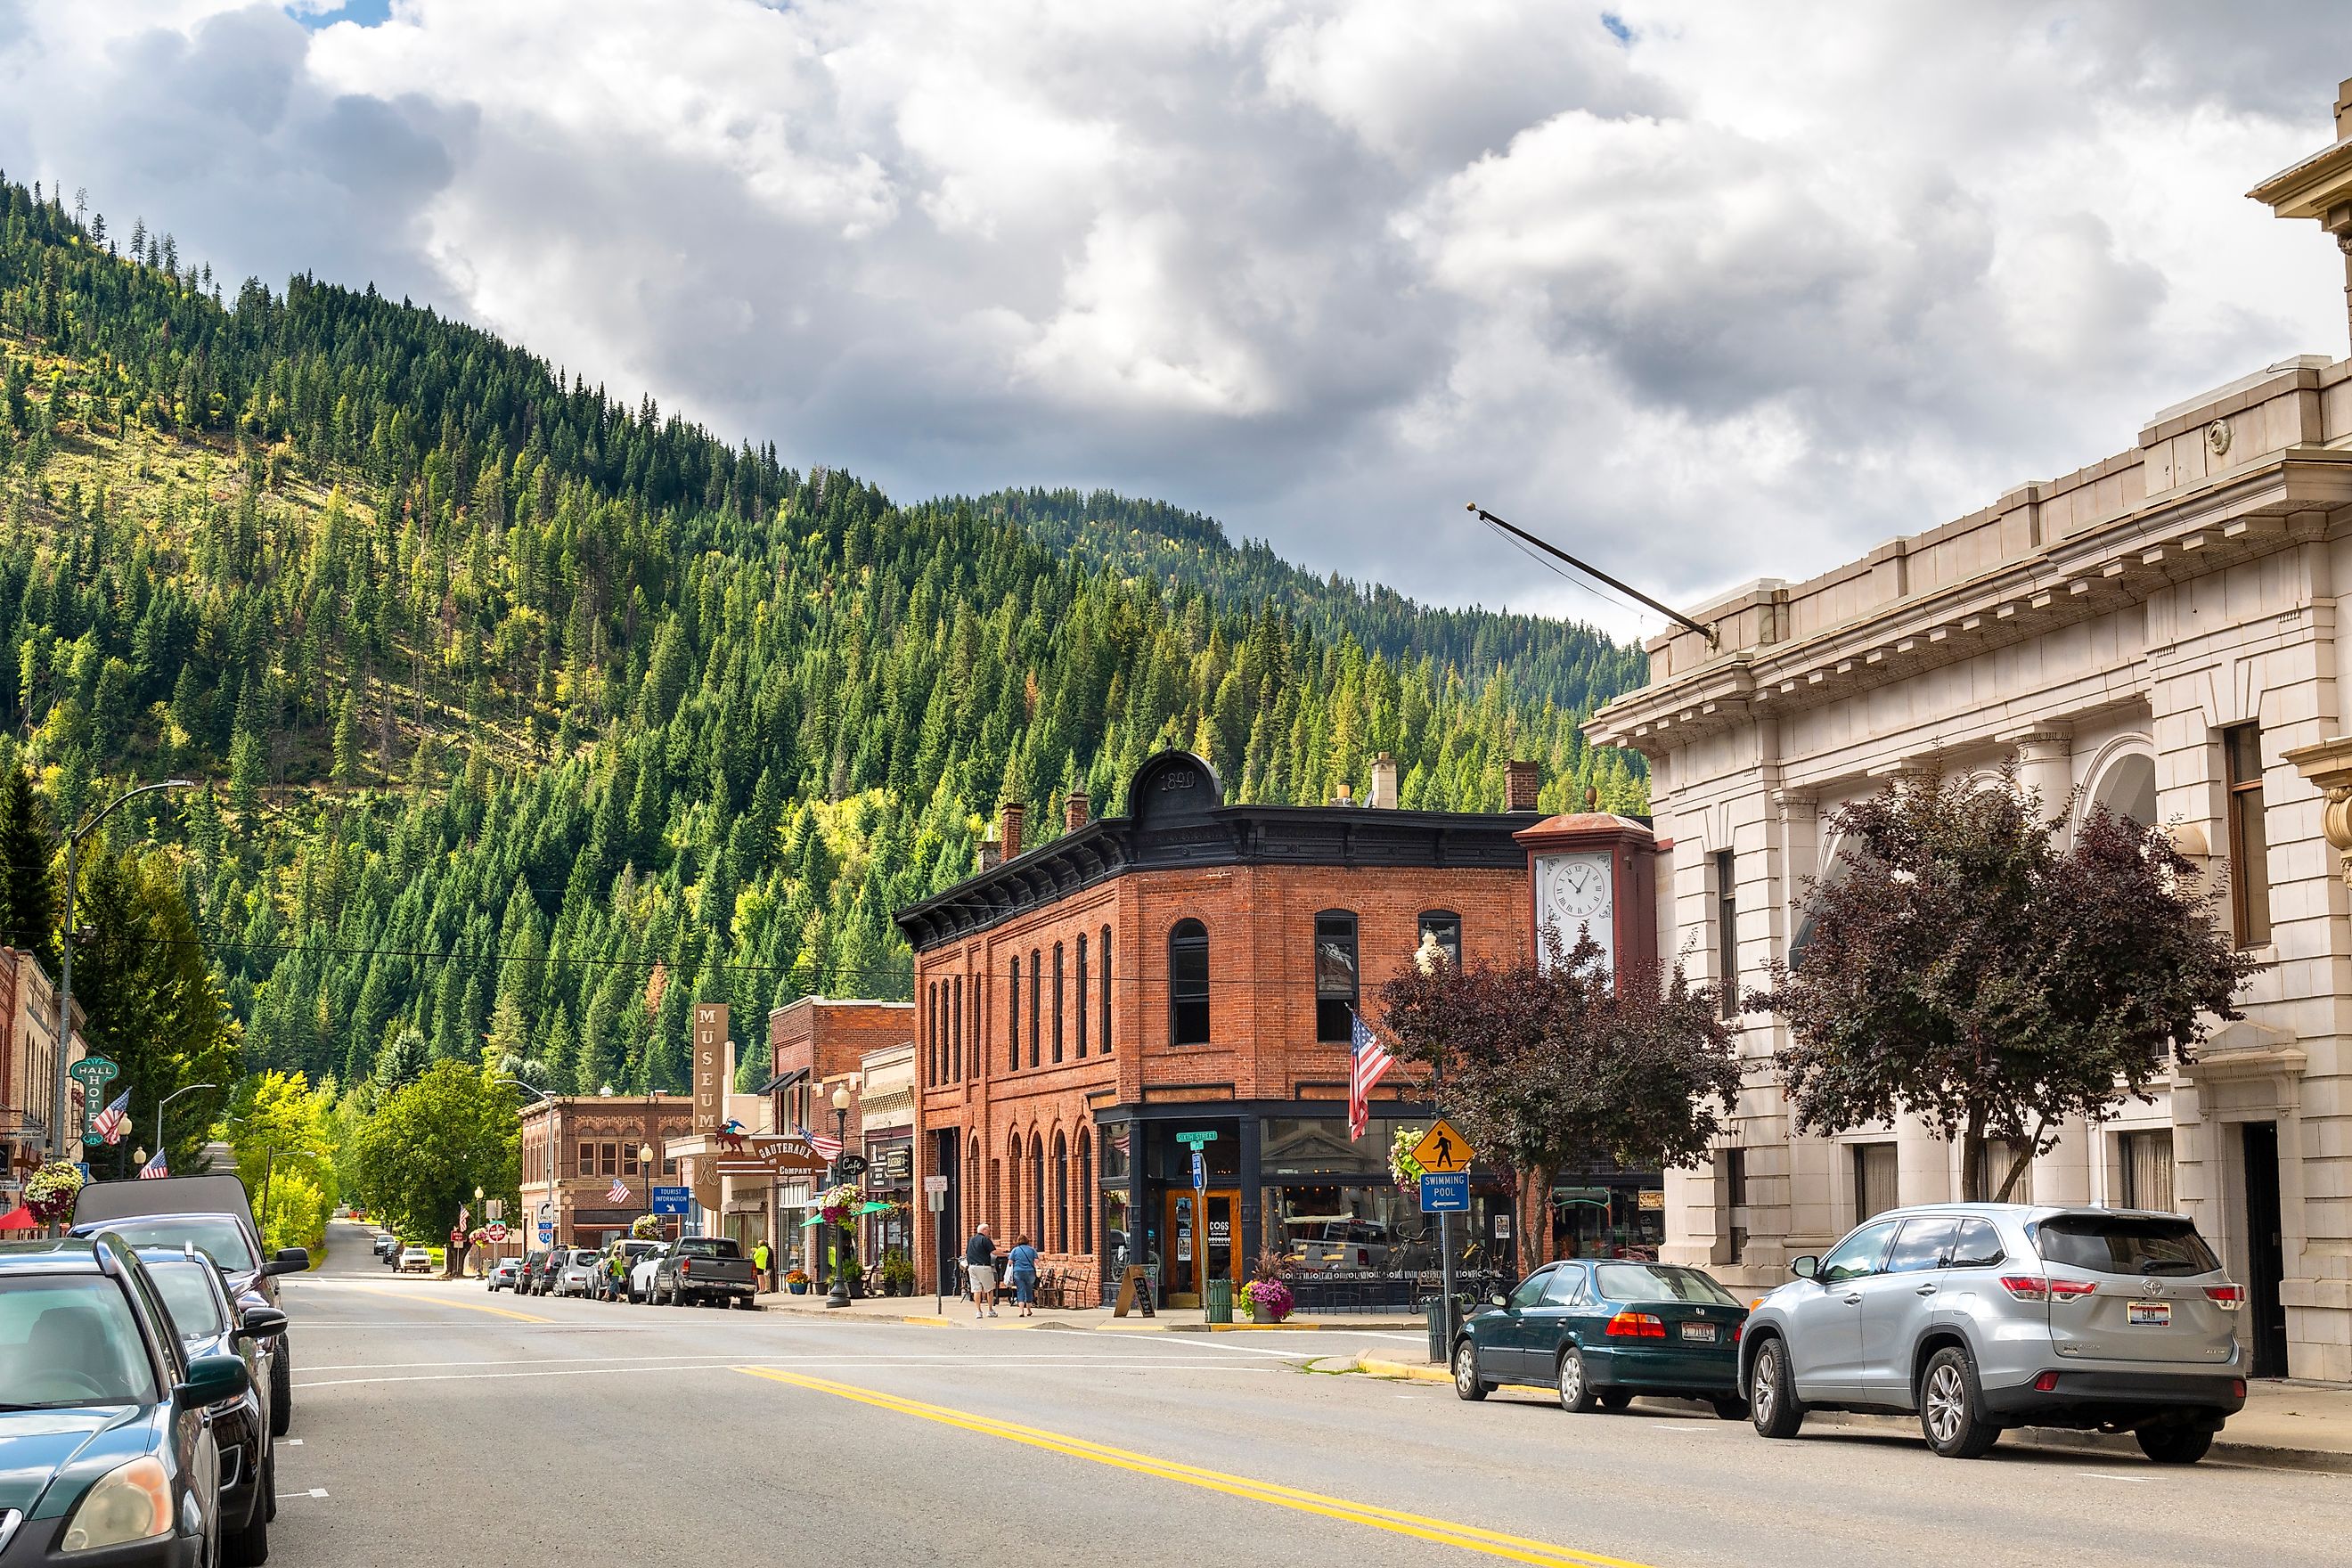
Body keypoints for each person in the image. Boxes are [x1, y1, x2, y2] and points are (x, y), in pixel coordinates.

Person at [965, 1221, 998, 1318]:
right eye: (988, 1230)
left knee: (976, 1290)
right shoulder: (985, 1239)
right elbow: (994, 1252)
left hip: (972, 1267)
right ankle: (990, 1310)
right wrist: (1007, 1255)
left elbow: (967, 1252)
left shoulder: (971, 1240)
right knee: (990, 1289)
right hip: (983, 1267)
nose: (989, 1232)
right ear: (984, 1230)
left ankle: (978, 1311)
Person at [1008, 1234, 1040, 1318]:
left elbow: (1010, 1262)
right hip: (1030, 1272)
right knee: (1029, 1290)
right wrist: (1041, 1269)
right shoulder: (1032, 1250)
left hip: (1018, 1272)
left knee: (1020, 1290)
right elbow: (1037, 1261)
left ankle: (1021, 1311)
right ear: (1027, 1241)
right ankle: (1029, 1310)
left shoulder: (1015, 1250)